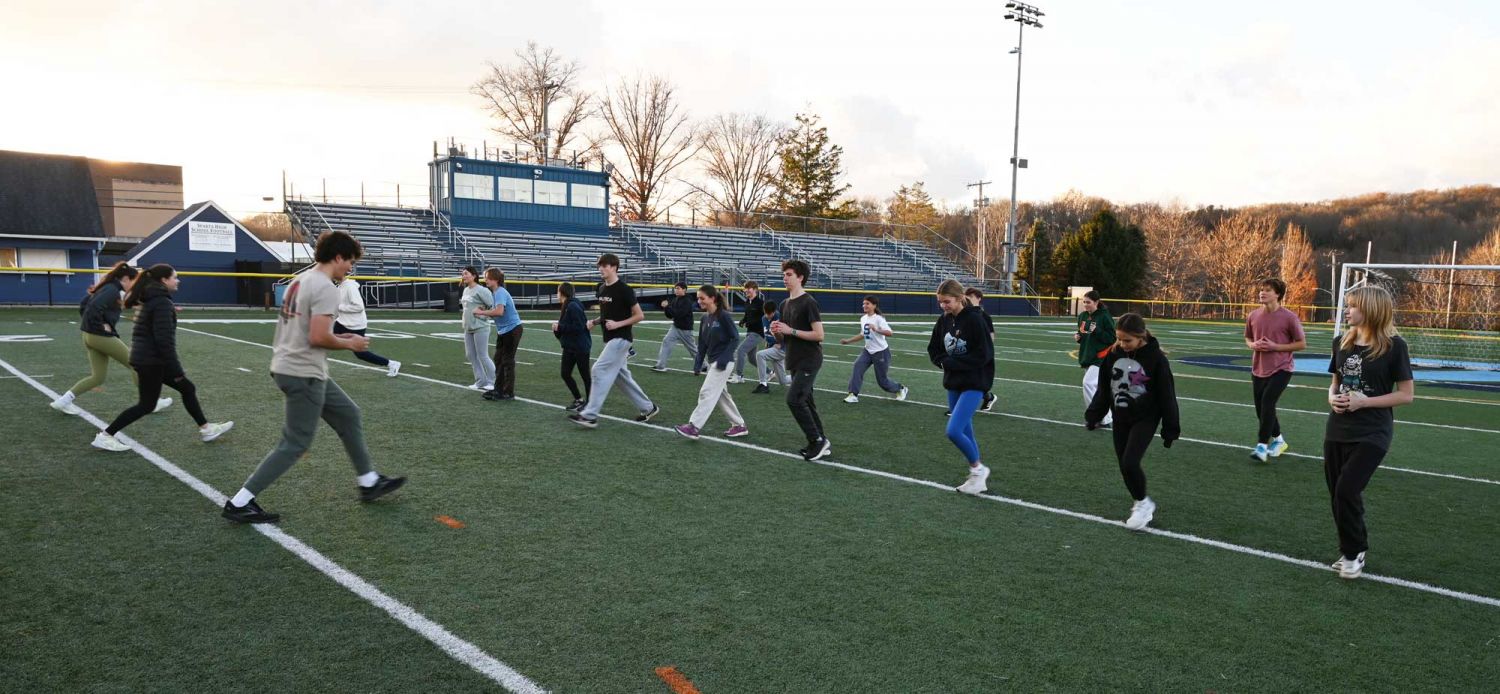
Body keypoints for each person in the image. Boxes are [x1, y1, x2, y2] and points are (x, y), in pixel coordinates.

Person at [221, 231, 406, 524]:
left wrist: (339, 335)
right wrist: (350, 343)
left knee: (348, 414)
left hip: (292, 364)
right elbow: (318, 336)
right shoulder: (326, 287)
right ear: (337, 257)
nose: (350, 268)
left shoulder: (302, 279)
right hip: (302, 371)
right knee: (295, 443)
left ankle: (369, 481)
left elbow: (309, 328)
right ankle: (240, 501)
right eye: (350, 262)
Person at [1323, 285, 1414, 580]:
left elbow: (1405, 395)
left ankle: (1353, 553)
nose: (1347, 311)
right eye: (1347, 306)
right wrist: (1331, 398)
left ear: (1371, 310)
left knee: (1347, 488)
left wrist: (1366, 402)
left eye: (1352, 306)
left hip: (1373, 432)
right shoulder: (1341, 342)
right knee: (1337, 493)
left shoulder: (1394, 346)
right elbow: (1335, 383)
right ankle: (1352, 548)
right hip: (1337, 428)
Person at [91, 264, 233, 452]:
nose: (178, 280)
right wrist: (176, 370)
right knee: (146, 405)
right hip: (151, 361)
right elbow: (164, 342)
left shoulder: (154, 300)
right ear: (164, 280)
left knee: (187, 388)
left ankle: (206, 429)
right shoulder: (161, 302)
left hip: (148, 358)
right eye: (175, 277)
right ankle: (106, 435)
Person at [1085, 313, 1181, 531]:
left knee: (1130, 462)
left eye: (1127, 340)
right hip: (1120, 416)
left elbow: (1167, 395)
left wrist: (1170, 428)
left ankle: (1143, 505)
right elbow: (1104, 389)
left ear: (1141, 337)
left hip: (1145, 418)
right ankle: (1141, 500)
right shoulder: (1113, 354)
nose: (1122, 344)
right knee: (1124, 466)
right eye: (1119, 339)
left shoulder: (1156, 359)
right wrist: (1094, 414)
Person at [51, 262, 172, 416]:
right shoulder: (112, 290)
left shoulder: (109, 288)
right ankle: (151, 402)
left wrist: (93, 326)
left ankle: (63, 401)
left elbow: (84, 305)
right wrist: (101, 326)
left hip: (89, 336)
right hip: (99, 336)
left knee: (98, 377)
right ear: (127, 279)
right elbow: (93, 309)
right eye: (135, 282)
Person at [569, 254, 659, 428]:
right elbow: (606, 315)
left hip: (621, 339)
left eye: (605, 266)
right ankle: (648, 408)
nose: (601, 269)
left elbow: (639, 315)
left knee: (598, 369)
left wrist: (618, 324)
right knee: (621, 377)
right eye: (600, 266)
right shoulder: (602, 289)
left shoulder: (624, 289)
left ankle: (590, 415)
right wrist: (594, 322)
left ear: (614, 267)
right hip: (609, 339)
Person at [927, 280, 995, 495]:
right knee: (966, 430)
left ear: (959, 298)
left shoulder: (975, 319)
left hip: (975, 381)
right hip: (953, 382)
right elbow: (934, 348)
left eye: (946, 301)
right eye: (940, 302)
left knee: (953, 431)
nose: (943, 306)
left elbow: (984, 354)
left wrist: (954, 363)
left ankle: (979, 469)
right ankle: (977, 478)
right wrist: (942, 362)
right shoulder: (944, 320)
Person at [769, 260, 830, 461]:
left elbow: (819, 335)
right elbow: (784, 339)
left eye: (789, 274)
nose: (784, 278)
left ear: (800, 277)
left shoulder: (808, 302)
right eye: (784, 275)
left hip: (809, 358)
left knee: (794, 400)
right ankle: (821, 440)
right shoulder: (784, 304)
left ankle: (816, 441)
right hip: (794, 358)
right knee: (806, 401)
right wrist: (777, 333)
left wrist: (790, 330)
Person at [674, 285, 749, 439]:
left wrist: (724, 358)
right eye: (698, 298)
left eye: (702, 298)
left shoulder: (723, 316)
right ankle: (739, 425)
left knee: (706, 392)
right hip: (713, 362)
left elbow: (735, 338)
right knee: (722, 396)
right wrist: (697, 364)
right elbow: (702, 344)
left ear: (712, 298)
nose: (699, 301)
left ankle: (694, 426)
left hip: (724, 362)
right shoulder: (704, 318)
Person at [1244, 277, 1306, 462]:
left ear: (1278, 294)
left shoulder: (1289, 317)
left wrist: (1275, 347)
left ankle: (1261, 446)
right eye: (1261, 289)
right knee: (1261, 410)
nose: (1262, 292)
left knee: (1268, 403)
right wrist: (1253, 344)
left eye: (1268, 290)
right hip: (1258, 368)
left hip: (1282, 368)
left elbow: (1302, 344)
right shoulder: (1253, 315)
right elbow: (1247, 338)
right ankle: (1279, 440)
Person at [837, 295, 908, 403]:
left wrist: (876, 329)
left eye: (867, 304)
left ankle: (900, 388)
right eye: (864, 303)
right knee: (857, 367)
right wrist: (848, 341)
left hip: (881, 352)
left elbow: (890, 333)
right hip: (867, 351)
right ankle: (853, 394)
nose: (864, 305)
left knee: (882, 382)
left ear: (874, 305)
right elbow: (863, 334)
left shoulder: (879, 319)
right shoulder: (863, 318)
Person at [335, 273, 400, 377]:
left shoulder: (350, 286)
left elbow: (359, 307)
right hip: (342, 321)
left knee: (360, 354)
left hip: (355, 324)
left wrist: (339, 307)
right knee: (324, 338)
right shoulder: (339, 286)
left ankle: (391, 363)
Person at [478, 268, 523, 401]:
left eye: (488, 278)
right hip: (504, 330)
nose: (485, 280)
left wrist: (482, 313)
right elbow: (496, 311)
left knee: (507, 361)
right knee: (498, 359)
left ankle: (508, 392)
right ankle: (498, 389)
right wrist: (485, 311)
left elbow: (499, 312)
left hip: (512, 329)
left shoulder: (500, 292)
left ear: (496, 280)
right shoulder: (495, 293)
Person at [1074, 290, 1115, 428]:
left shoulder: (1104, 316)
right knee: (1097, 388)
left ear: (1096, 302)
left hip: (1101, 357)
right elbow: (1083, 334)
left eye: (1088, 302)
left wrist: (1097, 330)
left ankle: (1096, 416)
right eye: (1084, 302)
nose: (1085, 305)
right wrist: (1078, 337)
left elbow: (1112, 338)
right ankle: (1107, 418)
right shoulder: (1082, 316)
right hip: (1087, 355)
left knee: (1088, 383)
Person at [552, 281, 592, 411]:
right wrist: (557, 330)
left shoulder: (573, 306)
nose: (557, 294)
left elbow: (579, 327)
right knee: (565, 373)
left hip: (580, 347)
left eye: (558, 292)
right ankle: (579, 399)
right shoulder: (567, 305)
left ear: (562, 292)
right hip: (570, 346)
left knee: (585, 376)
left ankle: (591, 403)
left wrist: (560, 327)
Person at [458, 267, 495, 392]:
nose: (464, 276)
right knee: (471, 355)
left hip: (481, 327)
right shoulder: (466, 290)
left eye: (466, 274)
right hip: (468, 328)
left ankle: (492, 381)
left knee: (483, 355)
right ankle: (480, 381)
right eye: (462, 274)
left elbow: (493, 306)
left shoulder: (482, 290)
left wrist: (483, 315)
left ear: (474, 276)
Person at [652, 281, 699, 373]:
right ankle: (660, 365)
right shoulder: (675, 299)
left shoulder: (687, 301)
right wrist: (666, 308)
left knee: (692, 349)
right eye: (675, 288)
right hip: (675, 327)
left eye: (678, 288)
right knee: (666, 341)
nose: (676, 290)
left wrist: (667, 307)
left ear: (684, 289)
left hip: (685, 329)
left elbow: (679, 314)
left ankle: (703, 365)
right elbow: (670, 315)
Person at [964, 287, 998, 412]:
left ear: (979, 299)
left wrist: (983, 352)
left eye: (971, 297)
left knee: (975, 381)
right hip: (967, 352)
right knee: (963, 380)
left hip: (979, 354)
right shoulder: (964, 314)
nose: (968, 300)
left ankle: (988, 397)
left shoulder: (985, 316)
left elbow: (991, 337)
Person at [752, 300, 791, 393]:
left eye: (770, 313)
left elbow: (788, 334)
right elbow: (767, 334)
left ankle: (763, 385)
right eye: (766, 313)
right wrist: (767, 345)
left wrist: (781, 343)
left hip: (782, 349)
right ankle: (802, 378)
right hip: (773, 348)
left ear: (774, 311)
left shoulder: (780, 318)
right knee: (783, 381)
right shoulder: (764, 318)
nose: (767, 315)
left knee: (760, 355)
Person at [731, 281, 765, 384]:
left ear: (755, 289)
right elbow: (747, 316)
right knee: (752, 359)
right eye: (745, 288)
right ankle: (769, 372)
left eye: (748, 288)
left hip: (758, 333)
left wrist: (749, 323)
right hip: (750, 332)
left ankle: (739, 376)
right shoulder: (747, 302)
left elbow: (764, 319)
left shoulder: (761, 303)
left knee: (741, 350)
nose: (746, 290)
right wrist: (743, 321)